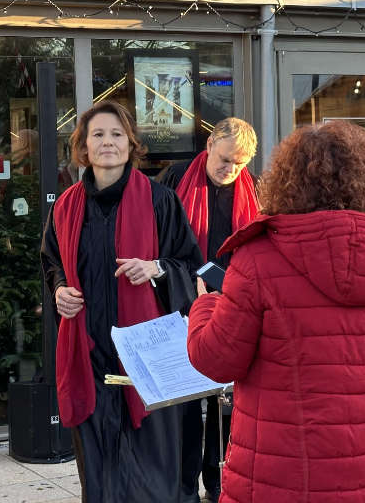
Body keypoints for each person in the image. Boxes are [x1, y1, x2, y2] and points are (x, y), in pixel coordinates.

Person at [187, 120, 365, 502]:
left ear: (285, 180)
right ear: (364, 179)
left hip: (287, 469)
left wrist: (205, 305)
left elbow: (216, 360)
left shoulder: (258, 256)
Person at [41, 100, 200, 502]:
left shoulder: (160, 200)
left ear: (130, 144)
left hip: (147, 360)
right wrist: (60, 290)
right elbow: (52, 261)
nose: (107, 142)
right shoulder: (65, 206)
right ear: (84, 146)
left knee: (151, 470)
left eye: (116, 134)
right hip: (89, 355)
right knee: (98, 470)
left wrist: (156, 268)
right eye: (98, 134)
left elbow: (190, 266)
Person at [158, 117, 259, 503]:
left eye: (239, 163)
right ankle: (183, 487)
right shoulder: (176, 178)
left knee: (229, 404)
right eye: (224, 159)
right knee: (186, 403)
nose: (229, 169)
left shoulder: (254, 188)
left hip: (233, 304)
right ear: (210, 143)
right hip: (182, 301)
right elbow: (159, 239)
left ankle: (220, 485)